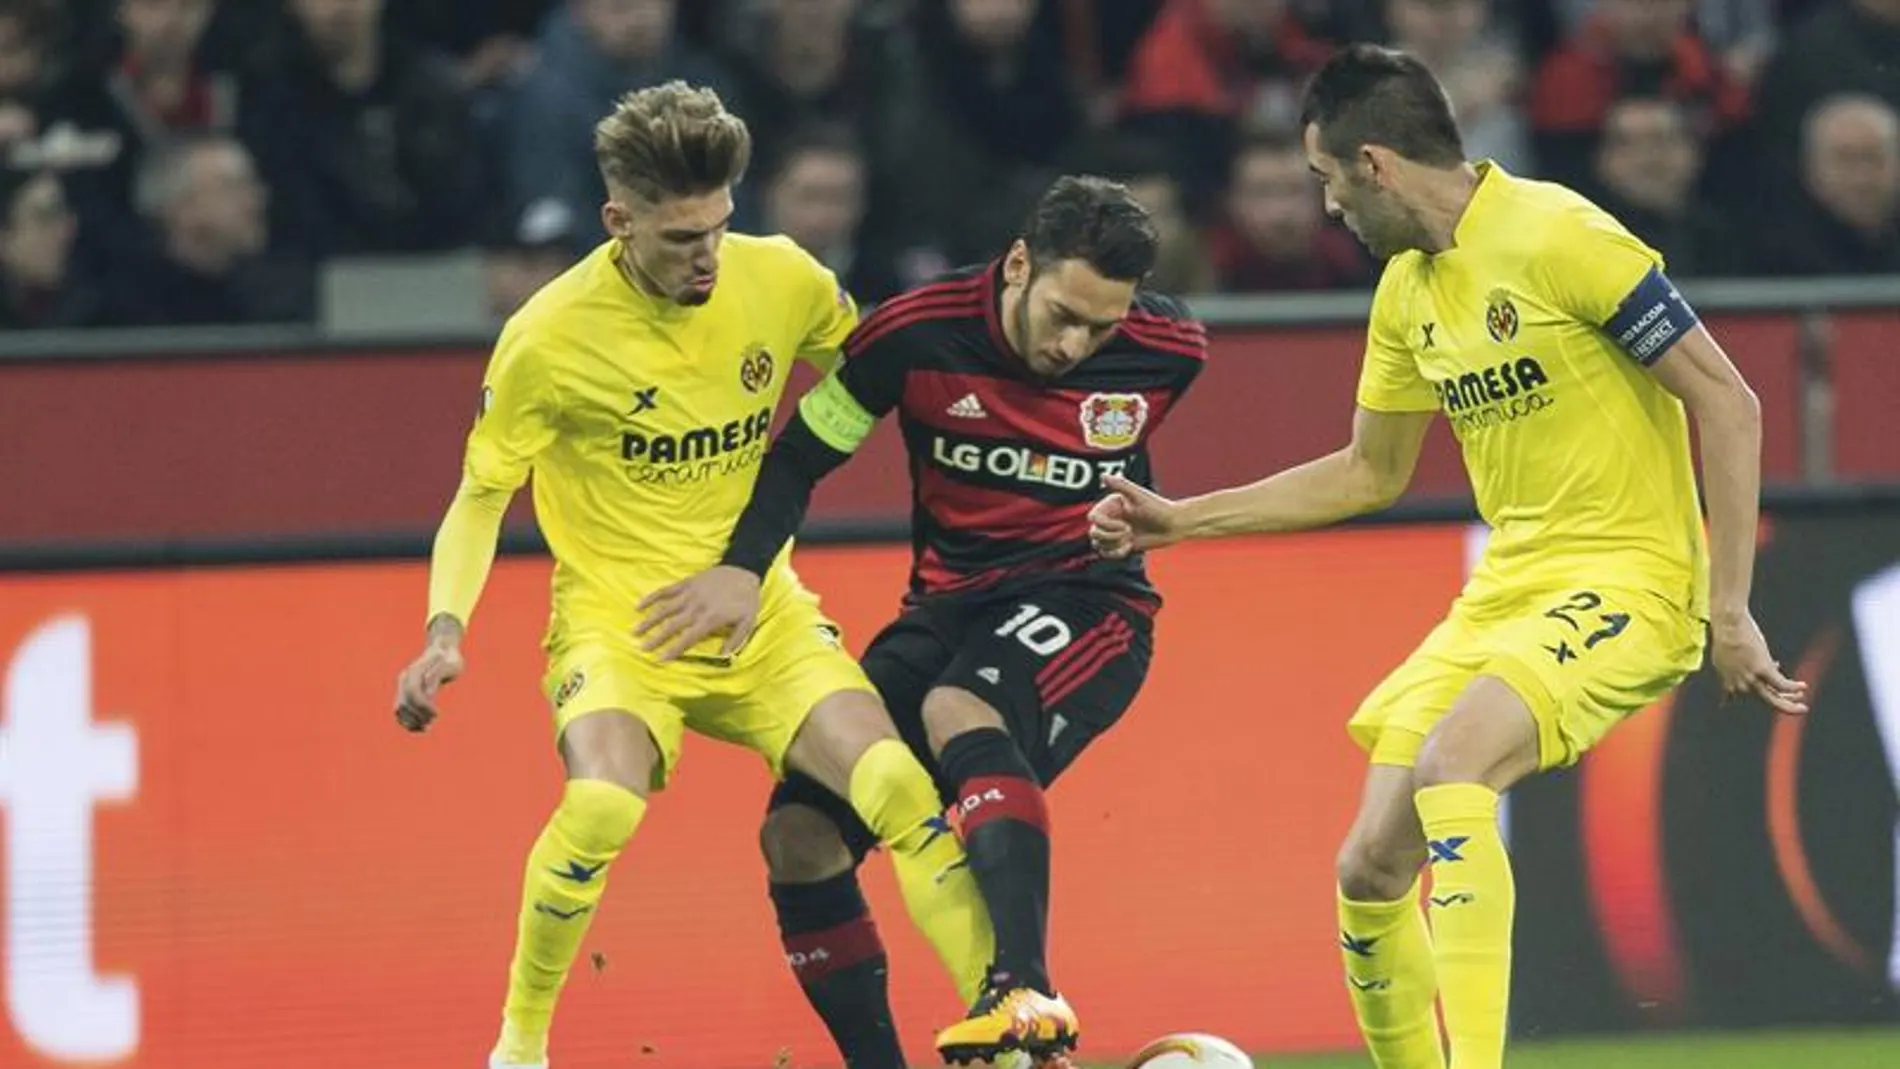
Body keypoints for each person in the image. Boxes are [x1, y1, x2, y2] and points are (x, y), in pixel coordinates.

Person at [1088, 44, 1809, 1069]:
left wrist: (1726, 607)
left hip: (1628, 580)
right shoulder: (1405, 293)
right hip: (1504, 593)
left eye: (1328, 180)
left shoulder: (1560, 235)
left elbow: (1727, 400)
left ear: (1375, 163)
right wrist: (1182, 519)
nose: (1329, 206)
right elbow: (1365, 472)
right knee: (1369, 866)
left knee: (1451, 760)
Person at [391, 81, 990, 1069]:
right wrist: (444, 630)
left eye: (717, 226)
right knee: (601, 804)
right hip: (620, 631)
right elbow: (480, 494)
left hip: (762, 617)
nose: (706, 255)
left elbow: (885, 373)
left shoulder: (782, 277)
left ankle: (1008, 1027)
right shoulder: (549, 337)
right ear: (617, 222)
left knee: (896, 783)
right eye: (678, 239)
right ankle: (520, 1045)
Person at [636, 175, 1207, 1068]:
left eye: (1101, 327)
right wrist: (742, 571)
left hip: (1090, 605)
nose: (1076, 344)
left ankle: (1023, 991)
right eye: (1063, 313)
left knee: (957, 710)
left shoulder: (1169, 347)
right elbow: (798, 455)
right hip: (945, 609)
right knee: (799, 835)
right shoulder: (912, 335)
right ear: (1018, 263)